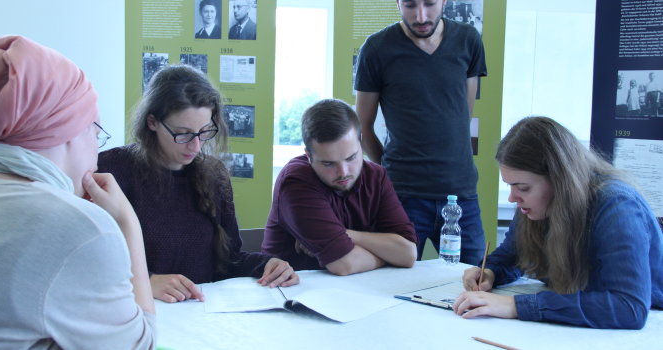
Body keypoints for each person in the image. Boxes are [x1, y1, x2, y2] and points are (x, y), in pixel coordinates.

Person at [0, 36, 155, 348]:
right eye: (96, 132)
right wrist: (127, 223)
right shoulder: (80, 229)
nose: (96, 149)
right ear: (69, 130)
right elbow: (140, 345)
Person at [98, 64, 298, 303]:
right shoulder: (112, 170)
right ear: (152, 122)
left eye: (204, 131)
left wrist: (268, 264)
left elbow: (229, 261)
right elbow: (87, 261)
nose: (196, 146)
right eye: (183, 133)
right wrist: (145, 281)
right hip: (138, 314)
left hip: (200, 315)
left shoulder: (214, 174)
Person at [453, 116, 663, 329]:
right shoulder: (536, 206)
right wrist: (490, 271)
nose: (512, 198)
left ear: (560, 181)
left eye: (523, 188)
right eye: (510, 186)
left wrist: (516, 306)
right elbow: (512, 255)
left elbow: (628, 308)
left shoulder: (617, 207)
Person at [355, 0, 488, 264]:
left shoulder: (468, 40)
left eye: (429, 4)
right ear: (397, 3)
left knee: (472, 283)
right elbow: (362, 127)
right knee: (392, 286)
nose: (421, 16)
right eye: (410, 5)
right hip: (403, 195)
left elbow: (463, 114)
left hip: (460, 194)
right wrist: (388, 170)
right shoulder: (376, 48)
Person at [262, 99, 418, 276]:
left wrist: (345, 235)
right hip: (293, 293)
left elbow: (408, 253)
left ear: (360, 144)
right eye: (328, 163)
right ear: (309, 156)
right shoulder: (295, 181)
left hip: (360, 290)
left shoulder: (376, 176)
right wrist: (388, 256)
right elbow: (345, 264)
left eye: (351, 158)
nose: (343, 172)